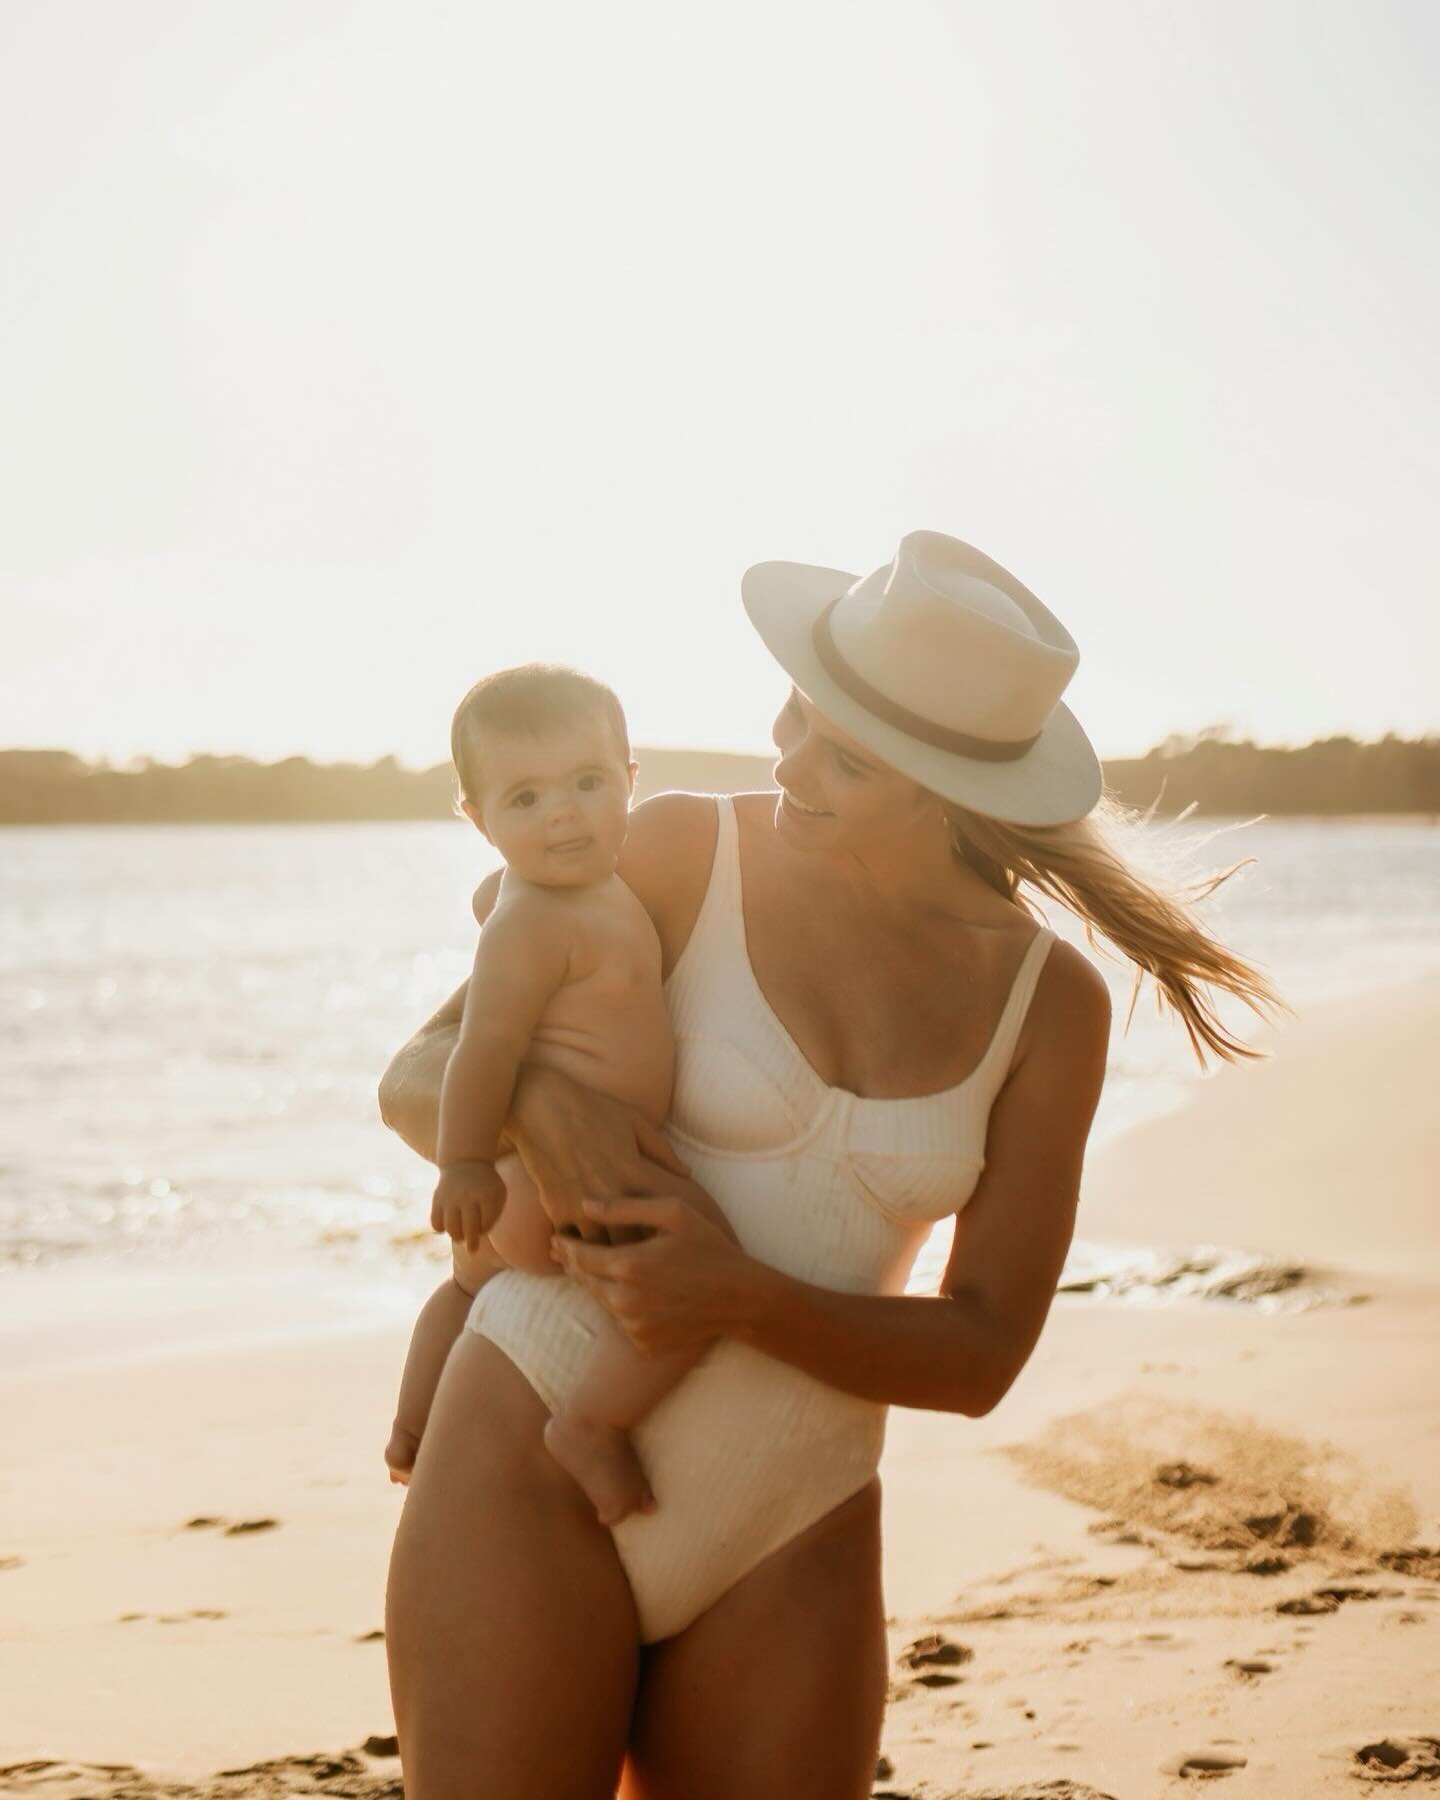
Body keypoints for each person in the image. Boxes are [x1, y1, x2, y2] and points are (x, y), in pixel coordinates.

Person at [378, 530, 1287, 1800]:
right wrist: (538, 1103)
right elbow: (415, 1082)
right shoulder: (687, 853)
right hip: (527, 1436)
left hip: (790, 1522)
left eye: (843, 755)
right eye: (797, 713)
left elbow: (980, 1354)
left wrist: (739, 1298)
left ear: (946, 790)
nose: (787, 759)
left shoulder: (1047, 1002)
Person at [385, 663, 732, 1524]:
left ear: (630, 780)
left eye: (587, 782)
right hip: (570, 1179)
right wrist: (463, 1162)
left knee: (465, 1289)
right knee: (705, 1285)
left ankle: (409, 1430)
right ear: (479, 819)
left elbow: (492, 892)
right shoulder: (533, 919)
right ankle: (591, 1426)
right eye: (526, 799)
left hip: (524, 1189)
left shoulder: (549, 889)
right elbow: (484, 1049)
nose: (565, 813)